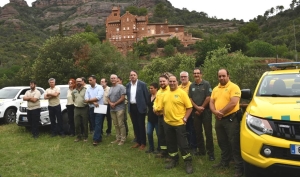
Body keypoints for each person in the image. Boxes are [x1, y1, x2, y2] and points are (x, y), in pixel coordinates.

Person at [209, 69, 244, 177]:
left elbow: (233, 103)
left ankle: (239, 167)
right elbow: (211, 102)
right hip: (219, 119)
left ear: (228, 76)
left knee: (234, 143)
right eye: (219, 76)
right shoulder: (215, 89)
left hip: (231, 119)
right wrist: (214, 111)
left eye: (223, 76)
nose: (221, 78)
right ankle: (225, 162)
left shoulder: (234, 87)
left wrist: (220, 113)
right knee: (222, 141)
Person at [162, 75, 193, 174]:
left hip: (179, 123)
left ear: (177, 81)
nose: (172, 83)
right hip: (168, 123)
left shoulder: (182, 93)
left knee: (183, 144)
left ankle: (188, 163)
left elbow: (189, 107)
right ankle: (174, 160)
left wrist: (185, 118)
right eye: (170, 81)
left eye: (173, 81)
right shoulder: (165, 93)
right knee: (171, 144)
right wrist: (164, 117)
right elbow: (163, 106)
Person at [189, 68, 215, 161]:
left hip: (206, 112)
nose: (196, 75)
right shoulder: (191, 85)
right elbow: (190, 99)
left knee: (208, 133)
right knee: (198, 132)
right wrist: (197, 108)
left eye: (198, 73)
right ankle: (201, 150)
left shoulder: (206, 84)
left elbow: (209, 97)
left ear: (201, 74)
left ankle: (211, 153)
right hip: (196, 112)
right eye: (195, 73)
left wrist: (202, 108)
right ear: (193, 75)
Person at [126, 70, 149, 150]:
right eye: (131, 75)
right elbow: (128, 97)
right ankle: (138, 141)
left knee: (141, 125)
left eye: (134, 75)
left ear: (137, 76)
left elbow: (146, 96)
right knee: (135, 125)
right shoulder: (128, 85)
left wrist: (146, 107)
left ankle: (143, 143)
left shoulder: (142, 84)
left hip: (140, 107)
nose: (132, 76)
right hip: (132, 107)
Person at [179, 71, 197, 155]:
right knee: (183, 130)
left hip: (190, 111)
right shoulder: (178, 87)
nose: (183, 78)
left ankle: (193, 147)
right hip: (181, 112)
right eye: (181, 77)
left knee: (191, 129)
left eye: (184, 77)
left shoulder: (192, 86)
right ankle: (185, 145)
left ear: (188, 77)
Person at [85, 75, 104, 146]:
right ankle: (99, 137)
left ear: (95, 80)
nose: (89, 81)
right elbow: (86, 99)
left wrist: (89, 100)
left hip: (100, 106)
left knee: (98, 123)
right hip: (92, 107)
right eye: (89, 80)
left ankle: (95, 139)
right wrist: (93, 102)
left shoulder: (100, 87)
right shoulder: (88, 88)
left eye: (90, 80)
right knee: (93, 124)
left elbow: (98, 97)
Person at [153, 74, 170, 158]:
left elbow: (168, 104)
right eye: (160, 81)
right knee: (161, 134)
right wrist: (154, 109)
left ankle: (171, 153)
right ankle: (163, 151)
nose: (162, 83)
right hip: (159, 116)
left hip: (166, 116)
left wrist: (161, 112)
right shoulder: (159, 91)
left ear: (167, 81)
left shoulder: (169, 91)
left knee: (168, 135)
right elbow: (156, 102)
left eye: (164, 81)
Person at [108, 74, 126, 145]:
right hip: (112, 109)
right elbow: (108, 97)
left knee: (121, 124)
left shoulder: (121, 87)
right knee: (115, 124)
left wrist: (115, 103)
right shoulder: (111, 88)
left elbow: (122, 98)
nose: (113, 79)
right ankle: (117, 138)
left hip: (119, 108)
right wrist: (110, 103)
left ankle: (123, 139)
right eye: (111, 78)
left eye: (114, 78)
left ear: (117, 79)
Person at [72, 77, 89, 142]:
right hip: (76, 109)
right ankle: (78, 136)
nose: (78, 82)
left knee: (85, 123)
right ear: (76, 82)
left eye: (80, 81)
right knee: (77, 124)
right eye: (77, 81)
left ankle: (85, 137)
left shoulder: (86, 89)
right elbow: (73, 99)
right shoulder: (74, 91)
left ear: (82, 82)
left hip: (84, 108)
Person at [146, 82, 160, 153]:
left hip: (157, 119)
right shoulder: (149, 96)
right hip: (150, 118)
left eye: (152, 88)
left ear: (156, 88)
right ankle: (151, 147)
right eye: (150, 88)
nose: (150, 89)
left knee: (158, 134)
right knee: (148, 133)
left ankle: (159, 148)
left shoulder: (159, 96)